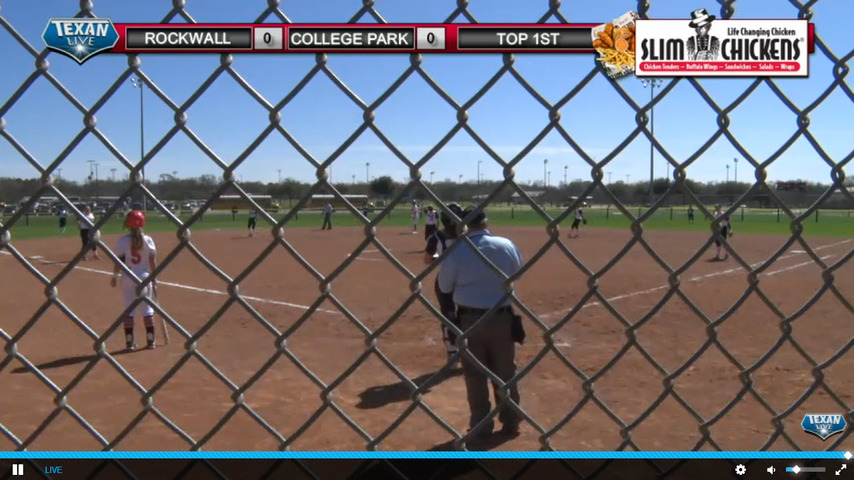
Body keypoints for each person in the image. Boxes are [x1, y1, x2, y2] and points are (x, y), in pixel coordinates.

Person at [437, 206, 524, 441]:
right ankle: (511, 422)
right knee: (506, 372)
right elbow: (518, 272)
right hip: (502, 318)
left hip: (469, 321)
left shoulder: (456, 251)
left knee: (475, 375)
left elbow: (444, 287)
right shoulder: (506, 244)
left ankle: (481, 425)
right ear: (486, 222)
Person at [111, 210, 158, 350]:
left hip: (128, 277)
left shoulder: (123, 240)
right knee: (147, 310)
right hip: (144, 277)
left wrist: (114, 277)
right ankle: (151, 341)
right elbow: (152, 260)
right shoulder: (148, 240)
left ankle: (130, 342)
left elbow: (119, 262)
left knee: (129, 310)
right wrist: (154, 278)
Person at [424, 203, 464, 364]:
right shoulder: (468, 236)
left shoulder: (437, 237)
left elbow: (427, 260)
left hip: (445, 278)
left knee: (448, 315)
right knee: (470, 312)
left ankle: (452, 353)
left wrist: (442, 257)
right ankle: (472, 352)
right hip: (467, 278)